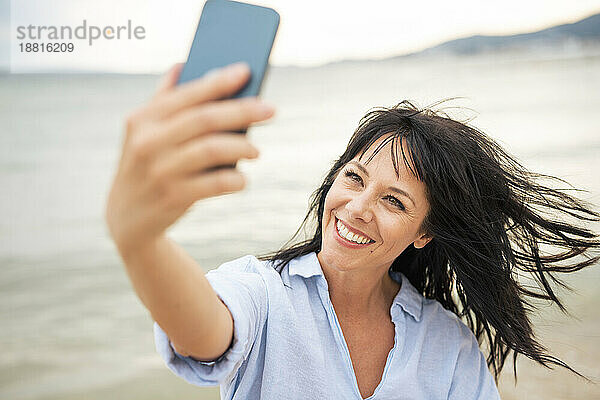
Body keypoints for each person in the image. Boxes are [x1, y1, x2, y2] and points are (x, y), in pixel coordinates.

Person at [105, 62, 600, 400]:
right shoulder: (263, 294)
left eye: (393, 200)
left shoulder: (446, 346)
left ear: (424, 232)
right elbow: (202, 334)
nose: (357, 207)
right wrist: (140, 240)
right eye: (354, 177)